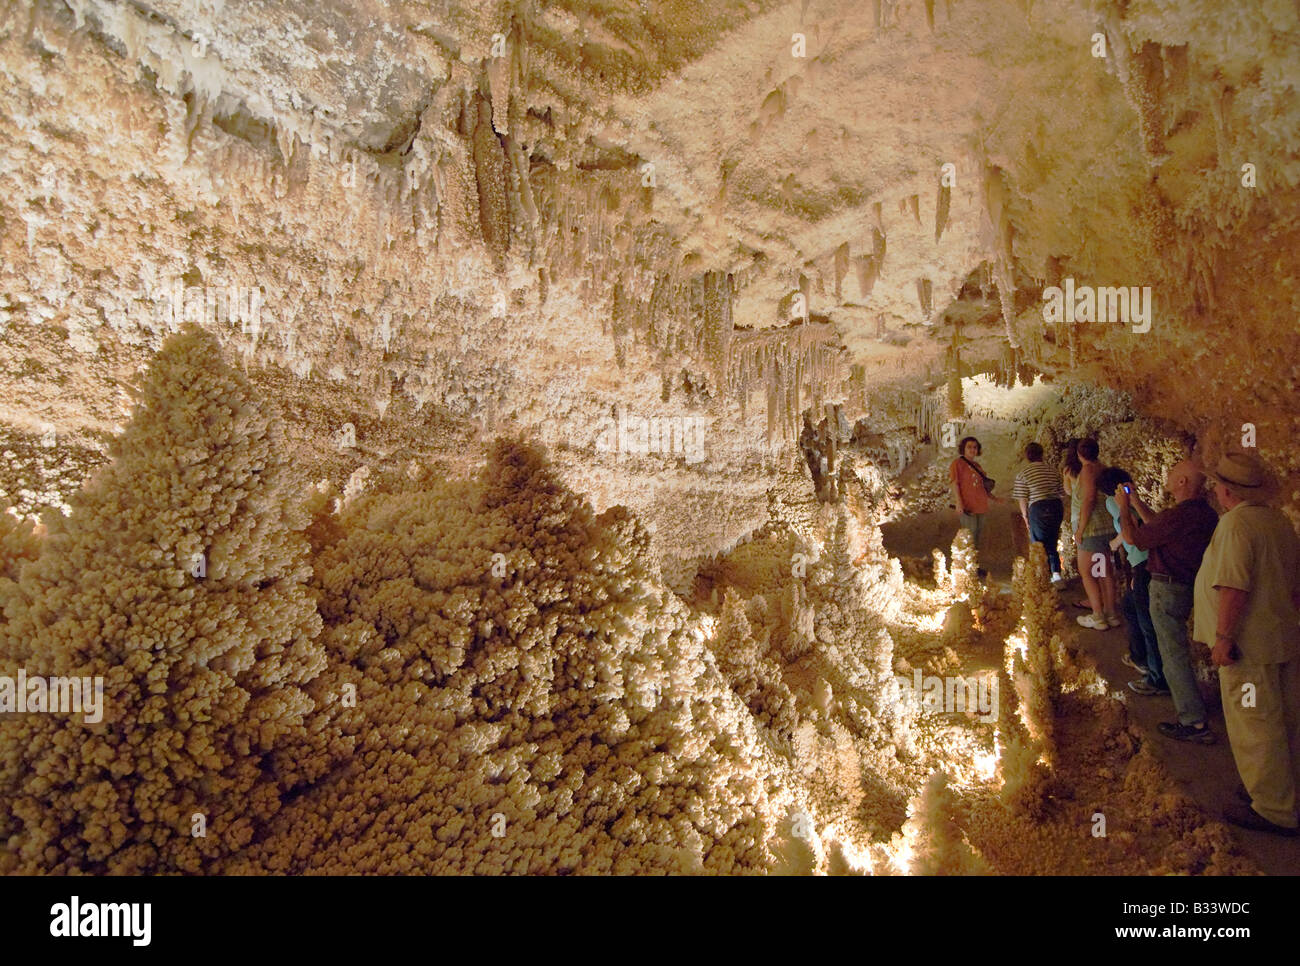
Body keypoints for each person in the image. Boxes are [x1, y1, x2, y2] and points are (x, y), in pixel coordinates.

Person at [1193, 452, 1300, 836]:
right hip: (1280, 639)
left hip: (1248, 647)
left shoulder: (1236, 525)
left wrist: (1224, 638)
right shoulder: (1278, 521)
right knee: (1286, 721)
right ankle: (1283, 791)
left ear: (1226, 491)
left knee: (1255, 726)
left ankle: (1274, 808)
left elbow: (1233, 586)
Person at [1115, 459, 1220, 744]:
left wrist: (1123, 507)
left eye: (1174, 472)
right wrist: (1136, 502)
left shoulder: (1180, 515)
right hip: (1188, 584)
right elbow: (1158, 528)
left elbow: (1133, 538)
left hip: (1168, 587)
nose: (1169, 475)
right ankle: (1186, 703)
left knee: (1172, 653)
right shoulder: (1204, 513)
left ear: (1183, 482)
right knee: (1174, 650)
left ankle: (1194, 722)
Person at [1099, 467, 1166, 696]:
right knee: (1130, 606)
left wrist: (1127, 504)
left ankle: (1155, 676)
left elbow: (1133, 531)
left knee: (1147, 622)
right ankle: (1140, 656)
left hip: (1143, 564)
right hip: (1146, 562)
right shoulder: (1130, 503)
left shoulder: (1114, 503)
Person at [1072, 438, 1118, 629]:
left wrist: (1081, 529)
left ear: (1079, 454)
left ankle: (1098, 615)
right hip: (1105, 527)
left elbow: (1089, 498)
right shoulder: (1103, 468)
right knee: (1103, 571)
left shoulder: (1088, 470)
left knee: (1087, 572)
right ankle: (1110, 613)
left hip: (1092, 529)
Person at [1013, 441, 1065, 584]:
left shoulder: (1023, 474)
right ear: (1042, 454)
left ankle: (1041, 577)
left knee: (1038, 544)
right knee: (1052, 541)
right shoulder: (1053, 471)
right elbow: (1062, 493)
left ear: (1027, 456)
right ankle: (1056, 575)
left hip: (1038, 507)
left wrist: (1025, 516)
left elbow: (1022, 498)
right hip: (1055, 506)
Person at [949, 436, 998, 575]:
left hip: (980, 506)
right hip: (967, 507)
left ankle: (974, 565)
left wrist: (995, 498)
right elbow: (955, 483)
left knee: (976, 536)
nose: (972, 450)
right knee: (969, 536)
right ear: (963, 449)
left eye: (975, 447)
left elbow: (983, 487)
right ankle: (967, 567)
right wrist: (959, 503)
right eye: (969, 447)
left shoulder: (978, 466)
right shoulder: (957, 464)